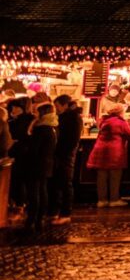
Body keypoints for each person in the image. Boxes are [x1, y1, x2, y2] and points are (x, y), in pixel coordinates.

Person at [86, 104, 130, 207]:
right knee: (115, 176)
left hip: (100, 150)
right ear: (120, 112)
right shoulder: (120, 122)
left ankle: (102, 200)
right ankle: (114, 199)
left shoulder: (104, 121)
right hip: (115, 151)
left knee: (101, 176)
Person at [47, 95, 82, 225]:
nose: (56, 109)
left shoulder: (73, 118)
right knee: (56, 183)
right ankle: (54, 212)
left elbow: (72, 140)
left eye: (58, 106)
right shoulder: (65, 117)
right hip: (59, 154)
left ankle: (65, 213)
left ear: (65, 105)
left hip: (65, 155)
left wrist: (64, 152)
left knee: (65, 183)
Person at [24, 103, 58, 232]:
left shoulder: (40, 129)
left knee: (34, 192)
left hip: (36, 164)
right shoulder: (53, 127)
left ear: (42, 114)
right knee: (42, 190)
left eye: (37, 112)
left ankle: (32, 218)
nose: (35, 114)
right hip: (47, 163)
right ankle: (40, 218)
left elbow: (34, 149)